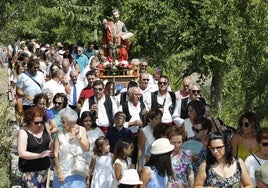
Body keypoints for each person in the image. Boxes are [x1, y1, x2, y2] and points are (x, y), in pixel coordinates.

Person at [53, 108, 89, 188]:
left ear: (71, 122)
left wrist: (78, 136)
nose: (61, 123)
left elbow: (86, 148)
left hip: (78, 171)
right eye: (61, 121)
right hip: (62, 173)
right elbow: (55, 154)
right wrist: (59, 171)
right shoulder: (59, 133)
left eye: (63, 122)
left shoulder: (82, 130)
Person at [18, 106, 52, 187]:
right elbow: (21, 153)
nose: (39, 124)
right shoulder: (23, 132)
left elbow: (50, 142)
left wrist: (53, 157)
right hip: (29, 171)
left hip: (44, 169)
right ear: (29, 121)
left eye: (41, 122)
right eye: (36, 123)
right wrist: (40, 155)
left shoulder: (45, 127)